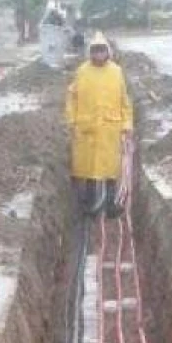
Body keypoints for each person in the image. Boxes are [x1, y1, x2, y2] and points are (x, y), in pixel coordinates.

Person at [66, 32, 134, 218]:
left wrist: (127, 124)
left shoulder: (116, 72)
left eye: (102, 51)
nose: (98, 55)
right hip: (87, 129)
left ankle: (110, 204)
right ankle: (88, 203)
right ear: (90, 53)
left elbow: (124, 100)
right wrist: (72, 120)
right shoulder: (82, 71)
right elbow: (72, 98)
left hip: (110, 129)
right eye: (95, 51)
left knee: (110, 170)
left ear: (107, 52)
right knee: (89, 169)